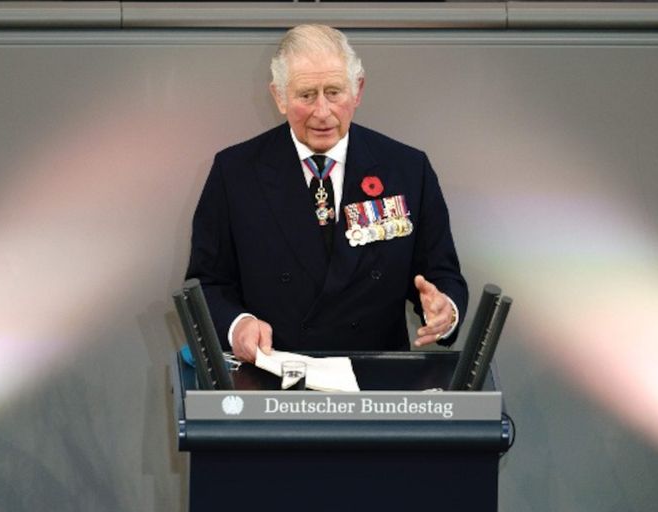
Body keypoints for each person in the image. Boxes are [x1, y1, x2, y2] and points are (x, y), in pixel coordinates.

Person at [186, 24, 467, 364]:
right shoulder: (235, 173)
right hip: (274, 379)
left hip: (378, 384)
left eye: (334, 92)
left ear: (357, 90)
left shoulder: (407, 169)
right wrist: (238, 326)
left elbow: (442, 275)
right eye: (306, 95)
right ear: (279, 96)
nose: (322, 112)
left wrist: (444, 310)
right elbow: (206, 285)